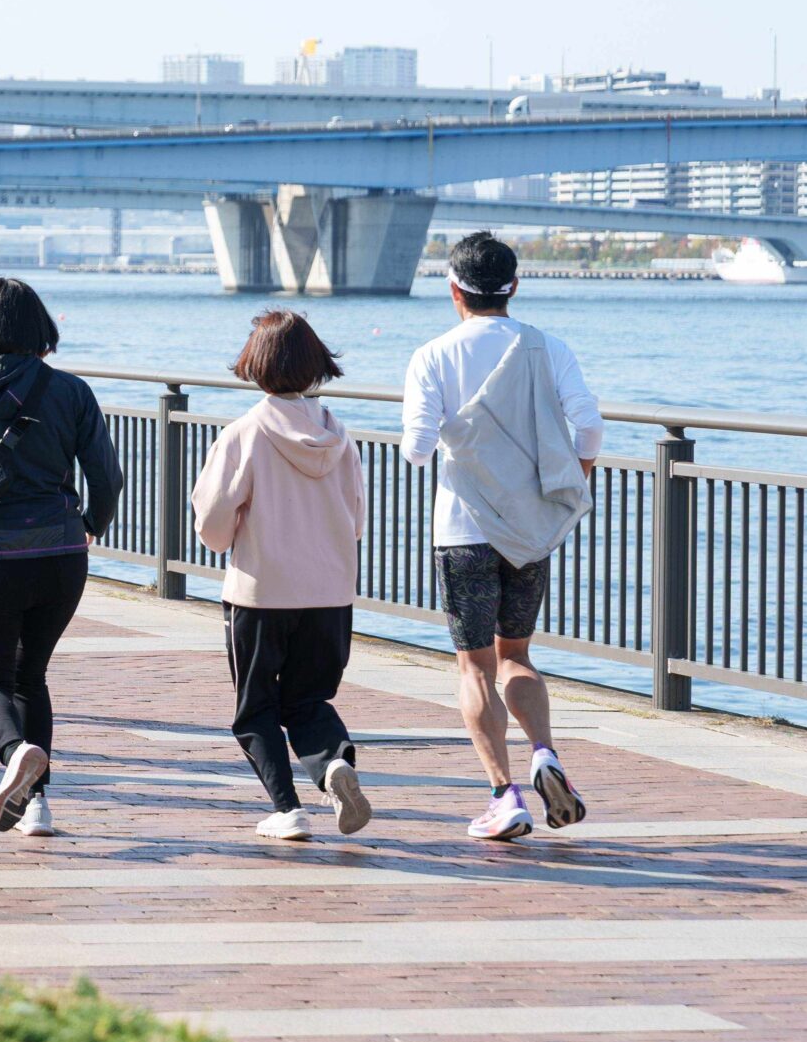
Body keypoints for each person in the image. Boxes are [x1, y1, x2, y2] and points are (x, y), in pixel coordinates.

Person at [403, 232, 601, 843]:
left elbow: (417, 448)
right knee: (516, 654)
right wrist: (575, 474)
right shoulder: (548, 347)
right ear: (513, 286)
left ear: (454, 290)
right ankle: (545, 754)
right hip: (528, 530)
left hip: (463, 529)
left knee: (475, 667)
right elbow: (589, 427)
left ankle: (502, 794)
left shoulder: (433, 355)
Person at [0, 277, 120, 836]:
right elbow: (107, 477)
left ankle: (14, 753)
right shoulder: (72, 391)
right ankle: (37, 805)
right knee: (31, 676)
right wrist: (90, 525)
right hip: (61, 554)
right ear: (40, 325)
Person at [193, 310, 371, 843]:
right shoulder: (339, 436)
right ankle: (333, 764)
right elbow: (356, 519)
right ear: (318, 364)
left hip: (261, 592)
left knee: (256, 709)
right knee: (308, 701)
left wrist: (231, 534)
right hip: (330, 594)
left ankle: (287, 808)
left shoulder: (243, 434)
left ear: (255, 365)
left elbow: (213, 526)